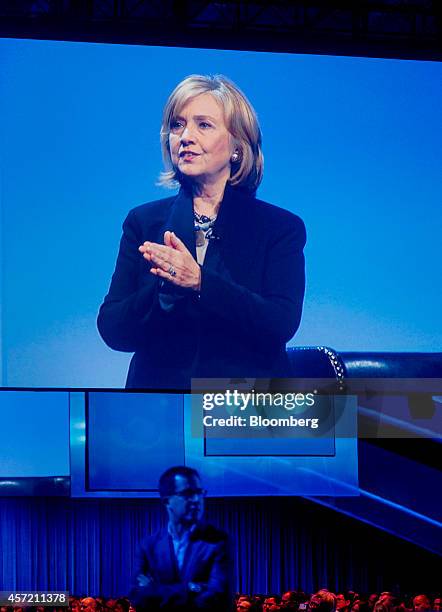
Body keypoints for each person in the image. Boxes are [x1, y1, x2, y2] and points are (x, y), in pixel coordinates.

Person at [97, 74, 306, 388]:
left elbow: (280, 322)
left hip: (244, 411)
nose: (185, 137)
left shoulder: (279, 228)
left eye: (203, 125)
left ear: (237, 146)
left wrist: (200, 282)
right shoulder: (144, 222)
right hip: (158, 412)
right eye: (178, 125)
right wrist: (163, 292)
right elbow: (113, 328)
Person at [129, 466, 232, 611]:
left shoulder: (217, 542)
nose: (196, 500)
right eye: (188, 493)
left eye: (199, 492)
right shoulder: (148, 547)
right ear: (166, 501)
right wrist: (193, 587)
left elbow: (216, 598)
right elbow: (137, 597)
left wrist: (155, 589)